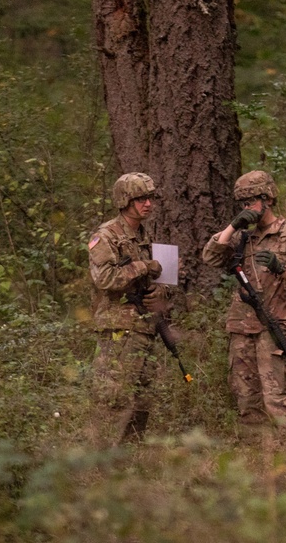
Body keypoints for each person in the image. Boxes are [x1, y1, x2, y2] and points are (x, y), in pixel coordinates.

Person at [202, 170, 286, 451]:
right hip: (242, 326)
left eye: (251, 201)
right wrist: (232, 227)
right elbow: (210, 257)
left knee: (278, 397)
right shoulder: (242, 237)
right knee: (246, 398)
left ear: (267, 199)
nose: (246, 208)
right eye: (241, 203)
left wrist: (283, 269)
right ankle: (255, 463)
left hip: (275, 324)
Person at [87, 172, 170, 445]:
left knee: (142, 398)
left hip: (145, 327)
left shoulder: (146, 235)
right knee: (114, 397)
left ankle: (130, 462)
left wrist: (161, 290)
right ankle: (100, 461)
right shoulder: (106, 235)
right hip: (118, 329)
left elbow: (163, 278)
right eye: (140, 199)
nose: (148, 204)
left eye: (150, 198)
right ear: (125, 201)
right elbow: (106, 279)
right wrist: (143, 266)